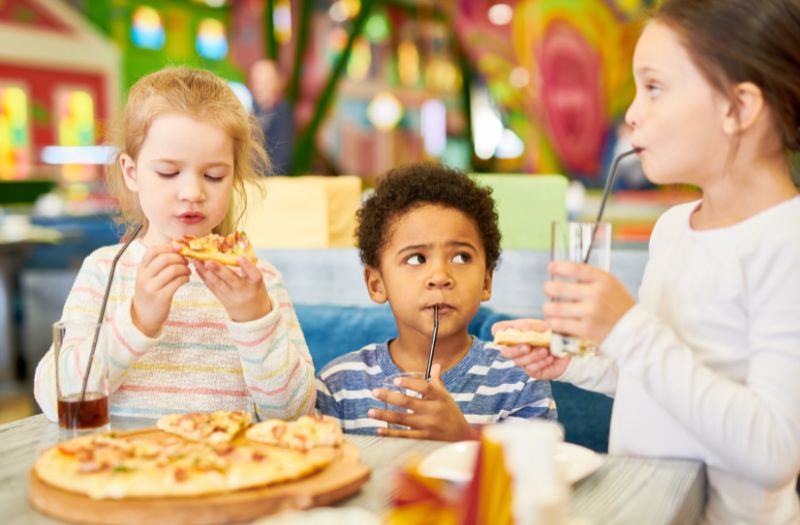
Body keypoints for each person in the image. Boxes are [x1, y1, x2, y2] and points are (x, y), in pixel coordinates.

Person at [494, 0, 800, 522]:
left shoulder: (786, 242)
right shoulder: (673, 230)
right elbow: (665, 382)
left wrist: (628, 327)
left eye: (654, 87)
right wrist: (582, 362)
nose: (631, 112)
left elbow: (773, 452)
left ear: (739, 108)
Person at [34, 67, 315, 421]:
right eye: (168, 172)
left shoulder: (259, 281)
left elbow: (294, 412)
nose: (192, 193)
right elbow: (56, 398)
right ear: (131, 172)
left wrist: (254, 318)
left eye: (214, 175)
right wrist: (135, 321)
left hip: (231, 466)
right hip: (122, 467)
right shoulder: (105, 272)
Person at [315, 162, 556, 441]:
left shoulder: (519, 378)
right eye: (416, 258)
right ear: (376, 283)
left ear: (486, 281)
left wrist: (463, 438)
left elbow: (537, 476)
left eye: (461, 257)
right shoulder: (338, 386)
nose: (440, 276)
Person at [249, 59, 294, 175]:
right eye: (256, 81)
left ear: (276, 83)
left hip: (271, 180)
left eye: (264, 82)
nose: (258, 87)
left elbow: (282, 158)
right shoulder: (253, 109)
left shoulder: (281, 111)